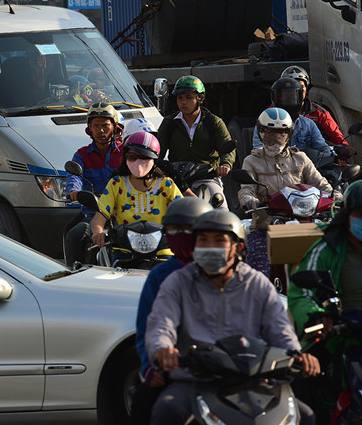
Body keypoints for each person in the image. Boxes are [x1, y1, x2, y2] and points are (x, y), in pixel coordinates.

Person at [145, 209, 321, 425]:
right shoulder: (178, 282)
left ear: (238, 247)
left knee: (306, 416)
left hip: (253, 379)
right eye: (203, 240)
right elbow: (161, 325)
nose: (210, 247)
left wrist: (296, 356)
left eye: (219, 241)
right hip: (195, 379)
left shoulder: (257, 283)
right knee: (167, 410)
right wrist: (163, 349)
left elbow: (281, 330)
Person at [130, 196, 214, 425]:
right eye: (173, 229)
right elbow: (149, 327)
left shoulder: (240, 275)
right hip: (180, 370)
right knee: (145, 405)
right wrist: (152, 366)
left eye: (186, 229)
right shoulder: (161, 276)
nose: (179, 235)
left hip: (231, 369)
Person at [288, 181, 362, 419]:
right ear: (348, 215)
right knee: (303, 388)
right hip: (340, 338)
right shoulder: (327, 248)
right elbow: (302, 292)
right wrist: (317, 315)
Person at [240, 107, 338, 274]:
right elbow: (246, 191)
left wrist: (335, 196)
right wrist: (252, 202)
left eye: (281, 135)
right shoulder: (251, 161)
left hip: (304, 226)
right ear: (261, 134)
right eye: (270, 134)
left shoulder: (301, 158)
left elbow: (321, 184)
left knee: (333, 263)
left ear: (289, 135)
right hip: (266, 228)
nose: (275, 140)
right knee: (259, 272)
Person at [90, 131, 182, 251]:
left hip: (162, 253)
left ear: (155, 160)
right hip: (124, 252)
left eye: (145, 158)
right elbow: (100, 216)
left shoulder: (166, 184)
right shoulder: (116, 184)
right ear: (125, 157)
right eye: (133, 157)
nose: (139, 162)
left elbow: (184, 213)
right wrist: (98, 233)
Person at [156, 76, 235, 205]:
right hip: (176, 180)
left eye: (188, 97)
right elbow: (158, 151)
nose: (183, 102)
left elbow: (227, 147)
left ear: (200, 98)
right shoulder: (169, 122)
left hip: (207, 178)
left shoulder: (214, 122)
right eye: (179, 98)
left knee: (221, 211)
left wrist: (225, 165)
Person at [63, 103, 124, 266]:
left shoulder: (126, 152)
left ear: (114, 126)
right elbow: (74, 177)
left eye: (105, 125)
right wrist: (74, 191)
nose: (101, 130)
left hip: (124, 212)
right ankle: (74, 276)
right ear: (89, 128)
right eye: (96, 125)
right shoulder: (82, 154)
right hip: (93, 213)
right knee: (74, 236)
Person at [252, 77, 334, 155]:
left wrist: (335, 156)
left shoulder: (308, 124)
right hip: (273, 168)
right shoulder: (264, 123)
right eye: (284, 97)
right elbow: (259, 150)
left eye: (292, 97)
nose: (288, 101)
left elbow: (323, 148)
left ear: (300, 97)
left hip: (305, 167)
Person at [281, 65, 352, 153]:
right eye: (291, 87)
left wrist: (344, 151)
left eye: (300, 87)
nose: (296, 91)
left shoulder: (317, 115)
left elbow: (333, 137)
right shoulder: (271, 113)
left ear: (306, 88)